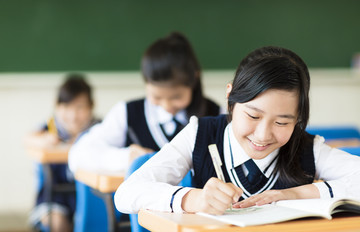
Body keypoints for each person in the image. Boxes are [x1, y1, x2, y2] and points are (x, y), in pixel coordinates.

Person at [114, 46, 360, 216]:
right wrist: (194, 199)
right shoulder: (200, 134)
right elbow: (127, 193)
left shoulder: (307, 147)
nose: (263, 135)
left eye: (282, 123)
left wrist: (298, 194)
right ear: (230, 95)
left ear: (298, 118)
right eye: (253, 116)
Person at [68, 32, 222, 173]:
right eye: (157, 97)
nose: (167, 106)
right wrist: (126, 157)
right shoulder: (127, 114)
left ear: (194, 81)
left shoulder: (217, 115)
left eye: (176, 97)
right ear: (146, 84)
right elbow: (77, 155)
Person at [27, 74, 99, 232]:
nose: (73, 115)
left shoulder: (100, 130)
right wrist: (45, 139)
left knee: (95, 223)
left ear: (91, 107)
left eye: (80, 107)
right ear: (57, 107)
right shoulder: (51, 129)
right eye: (66, 107)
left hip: (91, 196)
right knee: (57, 224)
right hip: (54, 198)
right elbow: (28, 138)